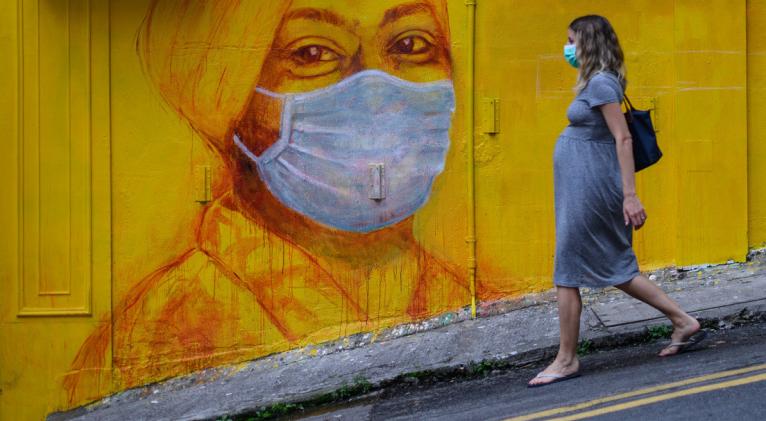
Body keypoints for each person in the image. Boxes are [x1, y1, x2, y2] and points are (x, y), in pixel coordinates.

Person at [63, 0, 471, 405]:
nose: (377, 89)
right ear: (232, 98)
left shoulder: (453, 296)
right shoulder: (162, 330)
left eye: (412, 45)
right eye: (313, 54)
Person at [528, 15, 706, 388]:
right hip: (583, 187)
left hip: (593, 189)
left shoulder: (603, 83)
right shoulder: (598, 82)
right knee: (614, 266)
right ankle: (683, 321)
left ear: (589, 42)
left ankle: (566, 359)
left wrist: (630, 196)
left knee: (568, 270)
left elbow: (622, 139)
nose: (568, 49)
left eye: (572, 41)